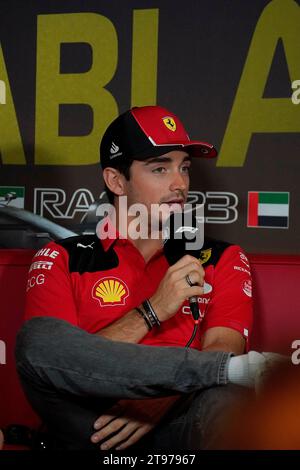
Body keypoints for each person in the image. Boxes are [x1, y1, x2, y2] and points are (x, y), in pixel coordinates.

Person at [15, 105, 282, 451]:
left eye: (184, 168)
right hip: (92, 424)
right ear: (116, 180)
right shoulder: (63, 258)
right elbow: (59, 363)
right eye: (160, 169)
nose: (180, 184)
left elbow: (223, 351)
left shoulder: (220, 258)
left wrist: (153, 402)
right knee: (35, 338)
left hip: (179, 421)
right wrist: (152, 310)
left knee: (227, 396)